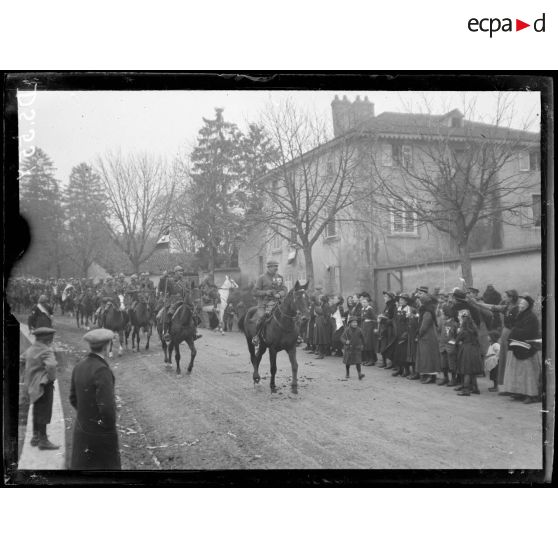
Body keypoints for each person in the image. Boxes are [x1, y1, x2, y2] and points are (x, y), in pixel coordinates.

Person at [69, 328, 121, 469]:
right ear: (106, 346)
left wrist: (87, 416)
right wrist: (105, 427)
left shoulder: (79, 365)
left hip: (81, 431)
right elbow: (108, 409)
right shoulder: (102, 370)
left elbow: (73, 398)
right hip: (100, 438)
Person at [19, 327, 59, 450]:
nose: (52, 340)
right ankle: (43, 440)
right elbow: (51, 366)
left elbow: (21, 359)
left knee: (36, 410)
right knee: (44, 412)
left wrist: (26, 375)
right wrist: (51, 378)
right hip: (43, 386)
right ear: (47, 339)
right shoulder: (46, 350)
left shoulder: (31, 349)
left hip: (32, 386)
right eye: (51, 338)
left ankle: (35, 437)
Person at [502, 294, 541, 404]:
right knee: (518, 371)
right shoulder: (520, 315)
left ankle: (531, 395)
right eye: (520, 303)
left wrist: (514, 331)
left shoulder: (531, 317)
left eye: (523, 304)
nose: (521, 305)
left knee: (528, 372)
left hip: (527, 347)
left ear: (528, 306)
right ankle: (520, 392)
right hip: (518, 345)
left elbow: (529, 332)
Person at [251, 260, 280, 349]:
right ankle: (256, 337)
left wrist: (280, 294)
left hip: (277, 303)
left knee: (288, 315)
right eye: (274, 266)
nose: (276, 268)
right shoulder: (261, 278)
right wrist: (265, 292)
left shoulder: (279, 277)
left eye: (277, 266)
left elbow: (284, 289)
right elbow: (254, 291)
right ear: (269, 267)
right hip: (264, 304)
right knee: (261, 318)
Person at [455, 310, 484, 396]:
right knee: (472, 371)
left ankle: (466, 390)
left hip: (466, 351)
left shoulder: (463, 331)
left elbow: (457, 341)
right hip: (475, 350)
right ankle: (476, 388)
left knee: (466, 371)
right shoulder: (474, 331)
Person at [414, 294, 441, 383]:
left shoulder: (427, 312)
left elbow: (424, 327)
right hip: (428, 337)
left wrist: (419, 334)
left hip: (427, 337)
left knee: (428, 357)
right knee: (427, 356)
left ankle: (430, 375)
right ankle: (428, 374)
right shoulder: (428, 310)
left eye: (420, 301)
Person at [438, 303, 458, 386]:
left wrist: (452, 344)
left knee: (451, 365)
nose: (442, 315)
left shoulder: (454, 324)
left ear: (447, 314)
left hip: (450, 347)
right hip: (443, 346)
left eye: (443, 313)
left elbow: (456, 336)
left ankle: (453, 379)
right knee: (443, 364)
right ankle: (445, 378)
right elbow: (439, 332)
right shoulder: (442, 323)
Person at [391, 293, 411, 377]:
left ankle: (406, 370)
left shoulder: (408, 309)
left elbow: (409, 322)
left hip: (404, 333)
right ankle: (399, 369)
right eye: (400, 299)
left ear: (406, 301)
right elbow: (395, 320)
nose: (400, 301)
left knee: (404, 352)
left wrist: (406, 333)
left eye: (402, 300)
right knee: (397, 352)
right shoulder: (398, 308)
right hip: (397, 332)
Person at [377, 291, 397, 368]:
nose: (384, 298)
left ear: (390, 298)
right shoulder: (387, 306)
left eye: (386, 297)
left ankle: (391, 363)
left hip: (390, 329)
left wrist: (384, 319)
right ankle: (384, 362)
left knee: (389, 345)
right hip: (384, 328)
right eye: (384, 296)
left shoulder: (393, 306)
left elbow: (393, 318)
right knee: (383, 344)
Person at [360, 294, 378, 366]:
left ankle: (372, 359)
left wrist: (375, 328)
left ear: (368, 303)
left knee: (369, 343)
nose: (363, 303)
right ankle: (367, 359)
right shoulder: (362, 309)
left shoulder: (370, 309)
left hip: (370, 328)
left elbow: (375, 319)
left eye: (365, 302)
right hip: (364, 327)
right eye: (362, 302)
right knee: (365, 343)